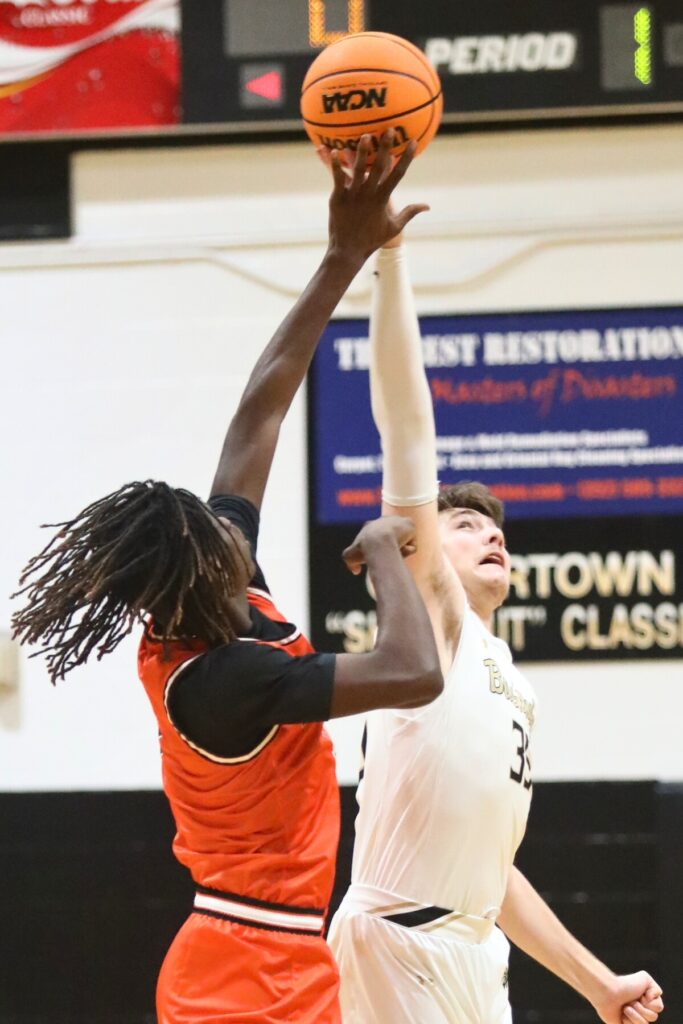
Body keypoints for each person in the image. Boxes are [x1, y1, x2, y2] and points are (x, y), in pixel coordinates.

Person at [11, 134, 443, 1024]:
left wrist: (341, 256)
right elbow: (414, 671)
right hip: (243, 969)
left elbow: (262, 402)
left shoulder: (210, 592)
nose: (234, 520)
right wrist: (384, 553)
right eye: (219, 531)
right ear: (200, 575)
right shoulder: (222, 678)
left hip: (276, 950)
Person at [328, 231, 665, 1024]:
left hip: (476, 951)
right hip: (397, 941)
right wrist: (390, 261)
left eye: (494, 526)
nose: (490, 534)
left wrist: (596, 984)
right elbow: (407, 431)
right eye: (466, 522)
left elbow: (494, 873)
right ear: (421, 546)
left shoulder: (508, 678)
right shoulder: (431, 623)